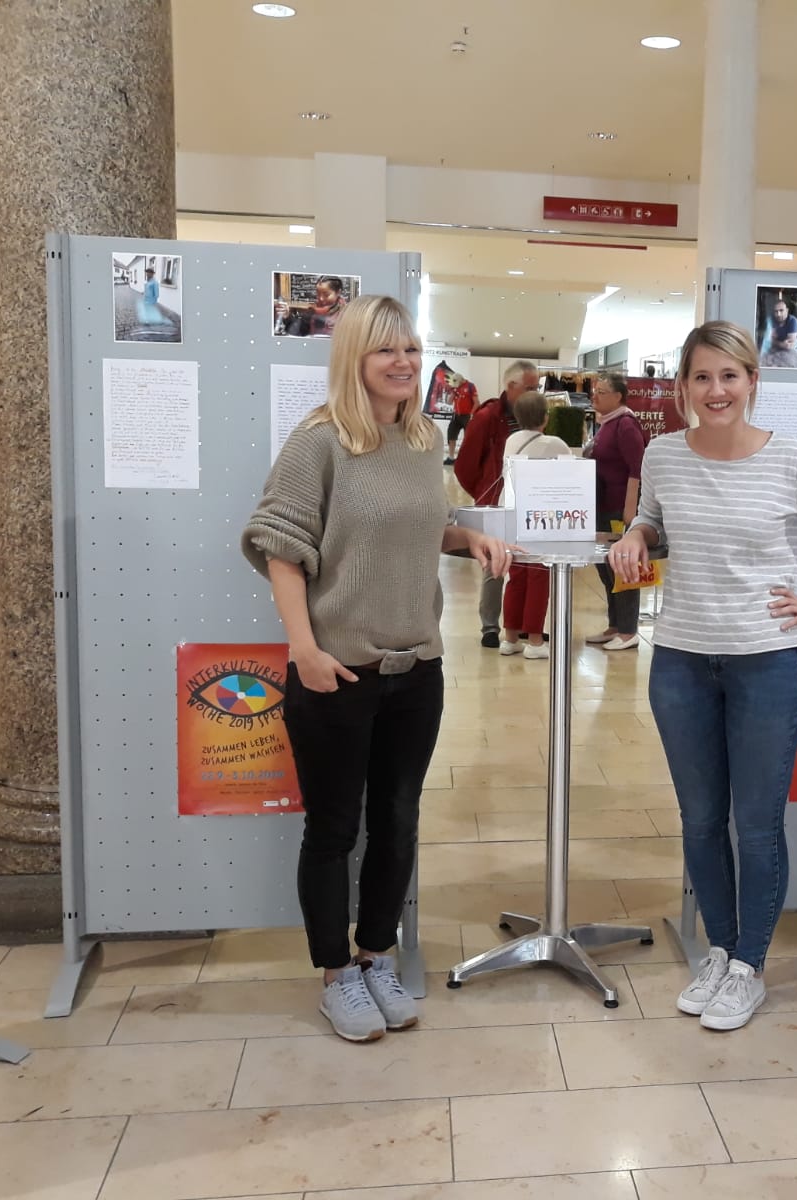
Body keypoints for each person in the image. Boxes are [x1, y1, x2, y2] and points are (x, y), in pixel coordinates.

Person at [241, 294, 515, 1043]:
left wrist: (467, 538)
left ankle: (377, 957)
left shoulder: (425, 439)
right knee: (334, 828)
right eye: (386, 349)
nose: (403, 362)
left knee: (398, 821)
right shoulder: (319, 441)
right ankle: (336, 976)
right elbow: (280, 546)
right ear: (353, 356)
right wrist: (305, 650)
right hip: (338, 671)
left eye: (412, 349)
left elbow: (419, 526)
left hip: (415, 669)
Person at [608, 320, 797, 1031]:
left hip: (767, 665)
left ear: (753, 382)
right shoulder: (664, 454)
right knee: (701, 821)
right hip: (680, 663)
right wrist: (636, 534)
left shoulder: (791, 460)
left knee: (756, 827)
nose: (716, 390)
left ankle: (749, 967)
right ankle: (720, 950)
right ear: (683, 386)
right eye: (702, 377)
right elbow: (652, 519)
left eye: (729, 376)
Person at [454, 359, 537, 647]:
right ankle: (490, 627)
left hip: (527, 502)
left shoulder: (534, 415)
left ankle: (522, 626)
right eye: (530, 388)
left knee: (527, 564)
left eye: (536, 388)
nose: (535, 393)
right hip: (494, 503)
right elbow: (464, 466)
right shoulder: (488, 416)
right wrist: (483, 494)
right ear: (511, 386)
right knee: (494, 564)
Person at [499, 391, 570, 660]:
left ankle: (510, 638)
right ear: (545, 417)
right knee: (538, 576)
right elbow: (570, 472)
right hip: (540, 516)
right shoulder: (555, 443)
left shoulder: (511, 440)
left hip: (511, 513)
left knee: (516, 575)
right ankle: (535, 641)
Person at [585, 371, 646, 651]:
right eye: (595, 391)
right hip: (602, 506)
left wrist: (629, 512)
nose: (595, 396)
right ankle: (615, 625)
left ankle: (628, 630)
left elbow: (638, 468)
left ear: (618, 396)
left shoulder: (625, 425)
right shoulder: (606, 423)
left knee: (622, 568)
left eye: (602, 392)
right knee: (606, 568)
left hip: (619, 510)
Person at [759, 296, 797, 368]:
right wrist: (780, 344)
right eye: (776, 311)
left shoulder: (793, 321)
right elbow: (768, 340)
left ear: (787, 310)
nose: (778, 314)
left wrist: (774, 341)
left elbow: (789, 345)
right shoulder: (771, 320)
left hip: (792, 351)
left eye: (781, 310)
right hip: (776, 350)